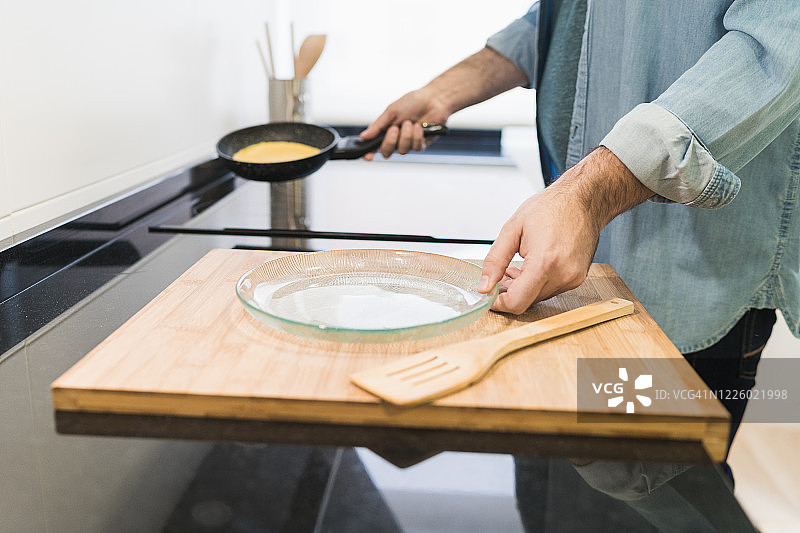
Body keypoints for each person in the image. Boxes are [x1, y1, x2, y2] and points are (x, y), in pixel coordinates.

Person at [361, 1, 800, 530]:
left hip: (687, 268)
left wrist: (587, 196)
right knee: (563, 494)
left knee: (647, 496)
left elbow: (777, 47)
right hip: (579, 260)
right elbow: (567, 17)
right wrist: (443, 91)